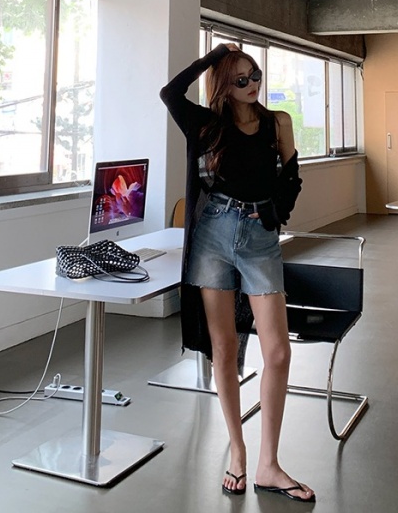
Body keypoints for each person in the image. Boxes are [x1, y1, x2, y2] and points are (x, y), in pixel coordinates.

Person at [160, 43, 315, 503]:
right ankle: (238, 452)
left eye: (255, 75)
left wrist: (274, 213)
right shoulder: (207, 125)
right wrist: (213, 58)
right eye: (241, 79)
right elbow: (170, 93)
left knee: (278, 352)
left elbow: (291, 176)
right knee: (224, 349)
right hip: (212, 235)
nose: (252, 85)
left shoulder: (276, 122)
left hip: (259, 236)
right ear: (225, 84)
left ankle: (270, 464)